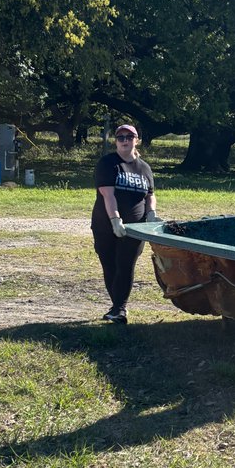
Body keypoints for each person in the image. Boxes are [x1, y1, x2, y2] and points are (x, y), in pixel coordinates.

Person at [91, 122, 156, 324]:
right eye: (121, 137)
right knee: (109, 264)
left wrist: (152, 212)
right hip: (105, 224)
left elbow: (150, 194)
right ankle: (116, 305)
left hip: (135, 228)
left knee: (126, 265)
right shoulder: (108, 163)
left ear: (137, 140)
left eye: (129, 137)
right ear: (116, 141)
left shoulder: (144, 168)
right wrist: (115, 220)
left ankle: (120, 308)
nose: (125, 141)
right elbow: (108, 195)